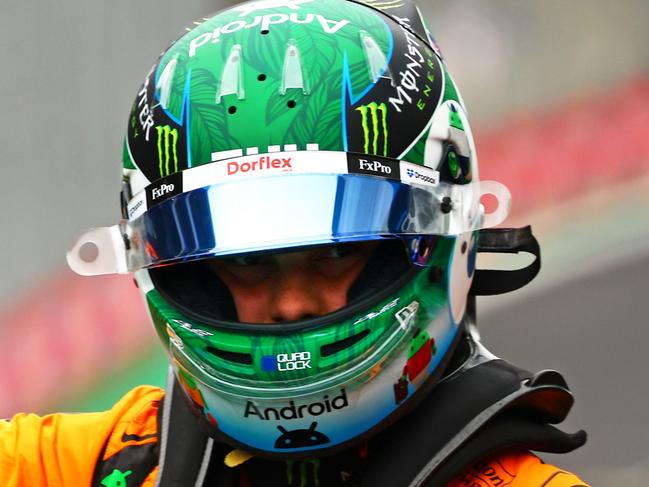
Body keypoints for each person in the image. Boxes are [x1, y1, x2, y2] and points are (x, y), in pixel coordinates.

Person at [0, 1, 591, 485]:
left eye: (337, 251)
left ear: (442, 231)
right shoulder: (103, 464)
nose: (291, 303)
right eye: (248, 262)